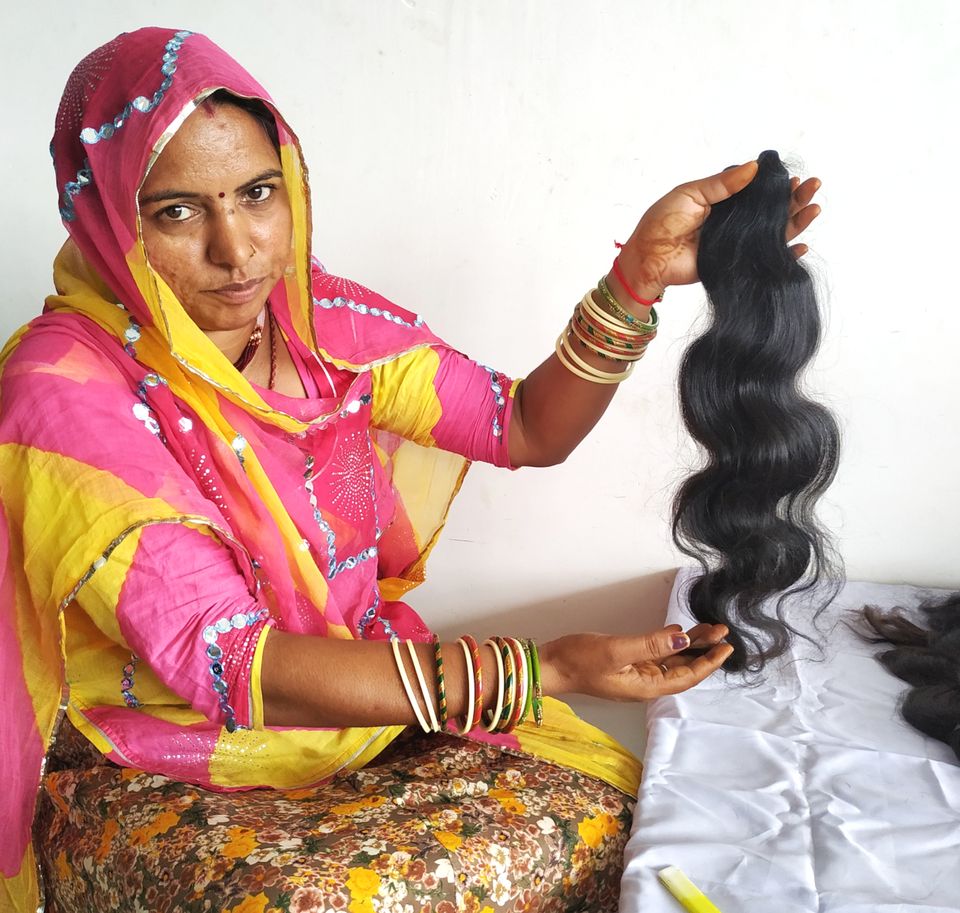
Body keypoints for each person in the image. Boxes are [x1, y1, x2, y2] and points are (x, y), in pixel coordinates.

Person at [0, 27, 820, 913]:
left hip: (363, 702)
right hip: (168, 748)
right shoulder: (62, 393)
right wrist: (545, 669)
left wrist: (638, 278)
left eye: (258, 193)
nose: (238, 251)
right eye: (177, 211)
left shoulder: (318, 323)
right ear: (104, 215)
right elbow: (236, 662)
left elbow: (523, 426)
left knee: (617, 825)